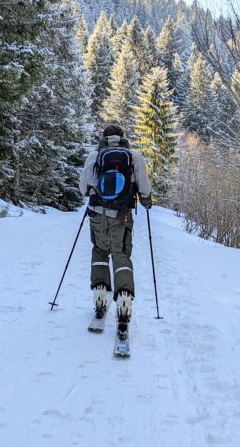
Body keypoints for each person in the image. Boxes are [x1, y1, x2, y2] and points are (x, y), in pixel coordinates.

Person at [79, 124, 152, 335]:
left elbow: (84, 184)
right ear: (122, 138)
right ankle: (124, 300)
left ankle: (100, 297)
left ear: (104, 138)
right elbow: (144, 184)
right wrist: (146, 199)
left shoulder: (95, 155)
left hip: (96, 213)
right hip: (122, 214)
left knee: (100, 251)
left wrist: (92, 193)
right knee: (121, 254)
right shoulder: (133, 155)